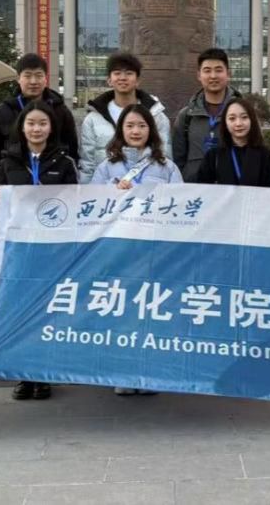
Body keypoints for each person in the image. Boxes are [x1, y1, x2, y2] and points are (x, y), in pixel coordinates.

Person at [0, 100, 79, 401]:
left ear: (51, 128)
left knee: (48, 312)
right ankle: (23, 374)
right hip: (19, 251)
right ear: (22, 127)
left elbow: (76, 202)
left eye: (42, 123)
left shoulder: (65, 163)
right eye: (31, 123)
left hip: (52, 251)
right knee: (19, 312)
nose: (36, 129)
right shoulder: (7, 163)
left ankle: (44, 374)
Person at [90, 103, 182, 396]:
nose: (136, 131)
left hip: (154, 253)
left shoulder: (166, 167)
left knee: (151, 313)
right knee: (121, 313)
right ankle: (123, 374)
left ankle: (149, 373)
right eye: (130, 125)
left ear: (151, 130)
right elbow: (92, 207)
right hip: (118, 252)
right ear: (121, 130)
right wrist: (111, 193)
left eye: (142, 125)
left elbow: (180, 205)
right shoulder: (106, 168)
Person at [0, 53, 78, 208]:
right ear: (18, 78)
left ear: (46, 78)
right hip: (12, 193)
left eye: (39, 75)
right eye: (27, 76)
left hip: (54, 198)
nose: (33, 81)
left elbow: (72, 151)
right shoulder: (1, 112)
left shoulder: (61, 111)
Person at [79, 51, 171, 183]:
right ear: (109, 80)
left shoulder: (156, 115)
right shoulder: (93, 119)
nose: (123, 78)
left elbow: (165, 157)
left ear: (138, 80)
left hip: (149, 189)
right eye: (117, 73)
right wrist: (86, 191)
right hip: (106, 189)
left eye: (129, 73)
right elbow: (87, 163)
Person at [172, 48, 242, 182]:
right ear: (199, 75)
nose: (213, 76)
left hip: (231, 189)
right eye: (207, 70)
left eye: (218, 70)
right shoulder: (186, 116)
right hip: (195, 190)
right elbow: (177, 160)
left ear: (228, 74)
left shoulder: (243, 115)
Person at [196, 96, 270, 187]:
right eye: (232, 118)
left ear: (252, 120)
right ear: (225, 123)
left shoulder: (266, 155)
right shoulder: (213, 155)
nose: (238, 123)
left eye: (244, 117)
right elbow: (203, 190)